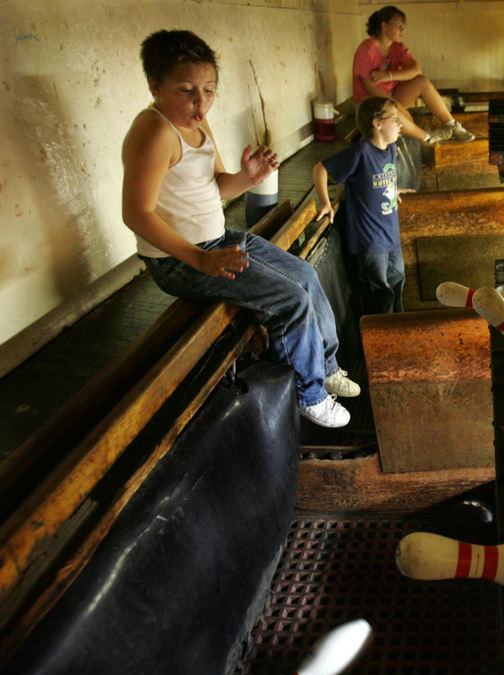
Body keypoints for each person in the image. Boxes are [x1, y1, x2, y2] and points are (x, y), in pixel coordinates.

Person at [122, 29, 359, 429]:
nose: (201, 103)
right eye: (186, 90)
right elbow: (136, 214)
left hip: (216, 240)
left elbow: (217, 187)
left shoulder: (196, 124)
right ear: (154, 86)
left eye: (209, 90)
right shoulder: (155, 130)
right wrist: (200, 259)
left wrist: (249, 177)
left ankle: (326, 363)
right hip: (179, 259)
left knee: (304, 274)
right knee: (289, 300)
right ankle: (309, 392)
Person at [313, 96, 406, 315]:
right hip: (370, 241)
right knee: (380, 296)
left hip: (391, 236)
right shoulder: (361, 152)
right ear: (377, 123)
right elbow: (320, 168)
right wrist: (326, 202)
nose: (399, 124)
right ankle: (382, 345)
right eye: (394, 119)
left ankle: (401, 338)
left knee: (398, 283)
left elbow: (379, 178)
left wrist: (393, 190)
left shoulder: (390, 150)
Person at [353, 5, 475, 144]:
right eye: (398, 25)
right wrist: (396, 107)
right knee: (401, 116)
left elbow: (416, 70)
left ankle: (452, 126)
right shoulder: (366, 49)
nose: (402, 30)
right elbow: (372, 89)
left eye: (403, 26)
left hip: (391, 94)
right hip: (369, 104)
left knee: (422, 81)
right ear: (384, 26)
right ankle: (428, 138)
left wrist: (389, 76)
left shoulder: (396, 47)